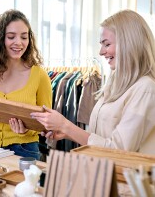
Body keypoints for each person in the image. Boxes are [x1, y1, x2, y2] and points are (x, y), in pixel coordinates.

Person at [30, 9, 155, 155]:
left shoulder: (146, 89)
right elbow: (102, 137)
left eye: (106, 44)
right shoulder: (114, 82)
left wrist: (66, 126)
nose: (101, 52)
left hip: (125, 176)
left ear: (129, 44)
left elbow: (119, 150)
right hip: (103, 172)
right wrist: (67, 133)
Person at [0, 9, 52, 160]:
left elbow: (46, 123)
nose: (19, 42)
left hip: (26, 151)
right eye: (11, 37)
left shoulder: (39, 75)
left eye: (24, 37)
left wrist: (26, 131)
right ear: (0, 39)